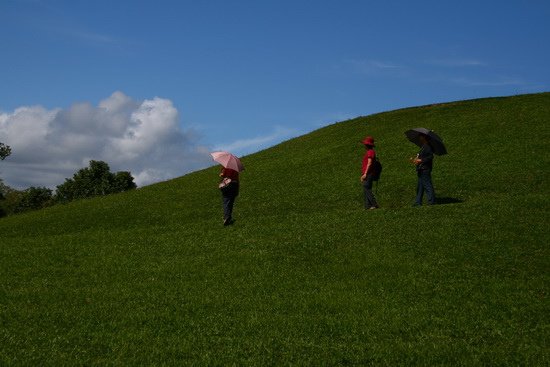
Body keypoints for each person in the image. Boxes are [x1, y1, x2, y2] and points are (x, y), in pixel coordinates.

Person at [411, 134, 435, 205]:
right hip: (421, 169)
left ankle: (431, 201)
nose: (419, 137)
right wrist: (415, 160)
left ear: (424, 137)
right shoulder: (424, 147)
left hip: (425, 169)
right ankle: (418, 202)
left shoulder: (427, 147)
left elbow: (430, 157)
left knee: (427, 185)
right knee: (420, 187)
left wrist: (421, 160)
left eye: (421, 136)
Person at [360, 136, 379, 209]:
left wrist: (365, 174)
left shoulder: (370, 152)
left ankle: (374, 204)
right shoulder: (370, 152)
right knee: (365, 188)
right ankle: (368, 206)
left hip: (368, 173)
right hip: (368, 173)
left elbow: (369, 163)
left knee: (367, 188)